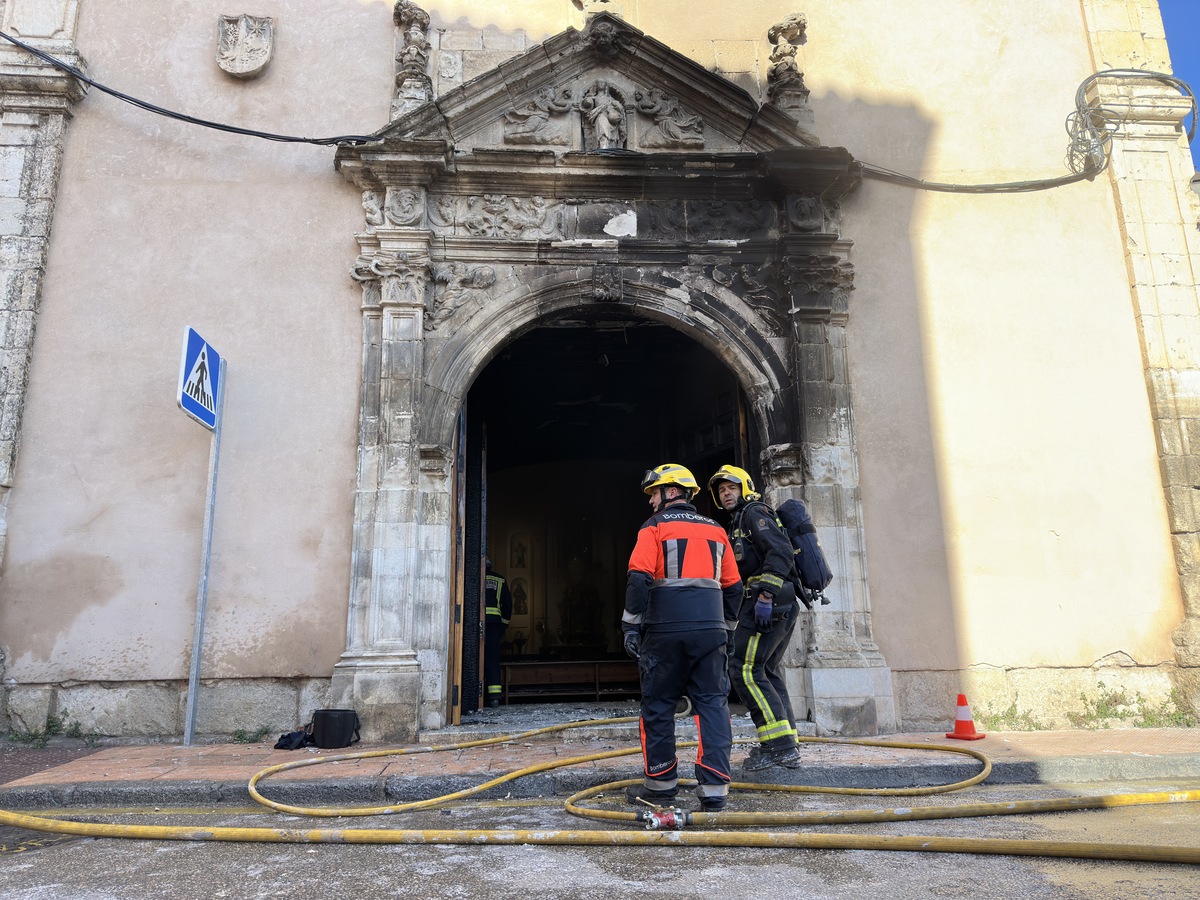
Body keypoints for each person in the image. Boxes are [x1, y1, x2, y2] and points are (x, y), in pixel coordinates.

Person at [621, 463, 743, 812]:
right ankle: (715, 789)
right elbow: (733, 589)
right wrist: (728, 631)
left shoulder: (654, 527)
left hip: (664, 632)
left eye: (653, 493)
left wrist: (630, 626)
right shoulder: (717, 530)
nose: (650, 502)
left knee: (658, 705)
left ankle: (660, 785)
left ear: (671, 492)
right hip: (710, 632)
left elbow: (639, 578)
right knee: (712, 705)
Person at [708, 465, 804, 771]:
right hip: (773, 604)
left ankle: (778, 747)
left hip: (768, 604)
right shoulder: (737, 522)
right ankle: (787, 741)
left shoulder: (754, 513)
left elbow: (781, 552)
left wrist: (765, 596)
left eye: (731, 488)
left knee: (744, 669)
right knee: (767, 670)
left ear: (745, 488)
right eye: (721, 490)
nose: (726, 494)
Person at [484, 559, 513, 708]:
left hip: (476, 623)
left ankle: (474, 696)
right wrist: (504, 624)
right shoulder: (500, 579)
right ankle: (494, 696)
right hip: (495, 624)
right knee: (493, 658)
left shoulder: (475, 577)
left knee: (474, 658)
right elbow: (507, 604)